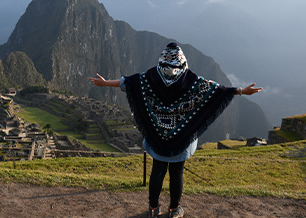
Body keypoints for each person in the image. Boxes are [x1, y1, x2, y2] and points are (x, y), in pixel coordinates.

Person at [89, 42, 262, 218]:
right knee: (176, 173)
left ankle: (153, 209)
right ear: (182, 62)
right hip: (181, 137)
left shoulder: (151, 77)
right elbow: (215, 90)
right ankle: (174, 210)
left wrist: (105, 84)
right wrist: (241, 91)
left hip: (157, 136)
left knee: (157, 171)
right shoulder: (189, 79)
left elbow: (129, 82)